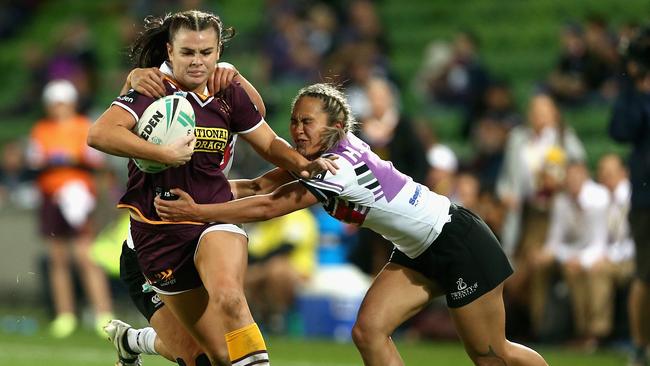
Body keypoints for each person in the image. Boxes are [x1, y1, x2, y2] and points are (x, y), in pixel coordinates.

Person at [154, 82, 549, 366]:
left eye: (307, 122)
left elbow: (268, 206)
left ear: (336, 127)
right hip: (417, 250)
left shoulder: (339, 167)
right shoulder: (316, 156)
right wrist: (197, 190)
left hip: (458, 241)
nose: (297, 130)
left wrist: (196, 212)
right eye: (294, 121)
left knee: (491, 354)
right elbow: (256, 185)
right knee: (368, 332)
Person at [88, 10, 336, 366]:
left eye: (206, 53)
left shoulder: (227, 89)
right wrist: (163, 153)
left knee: (232, 299)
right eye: (188, 52)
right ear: (169, 52)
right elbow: (99, 134)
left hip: (212, 218)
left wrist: (302, 164)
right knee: (207, 357)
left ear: (219, 51)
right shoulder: (152, 88)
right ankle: (134, 340)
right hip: (156, 235)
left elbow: (264, 134)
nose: (197, 62)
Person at [27, 79, 113, 339]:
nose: (59, 108)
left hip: (79, 199)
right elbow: (35, 162)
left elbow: (97, 163)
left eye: (63, 103)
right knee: (58, 259)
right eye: (55, 103)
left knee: (85, 257)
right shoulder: (41, 130)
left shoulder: (84, 127)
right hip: (52, 198)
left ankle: (102, 313)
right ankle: (66, 314)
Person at [608, 25, 650, 366]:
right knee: (646, 275)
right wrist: (634, 87)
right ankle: (639, 345)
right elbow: (620, 130)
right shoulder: (635, 95)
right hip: (647, 199)